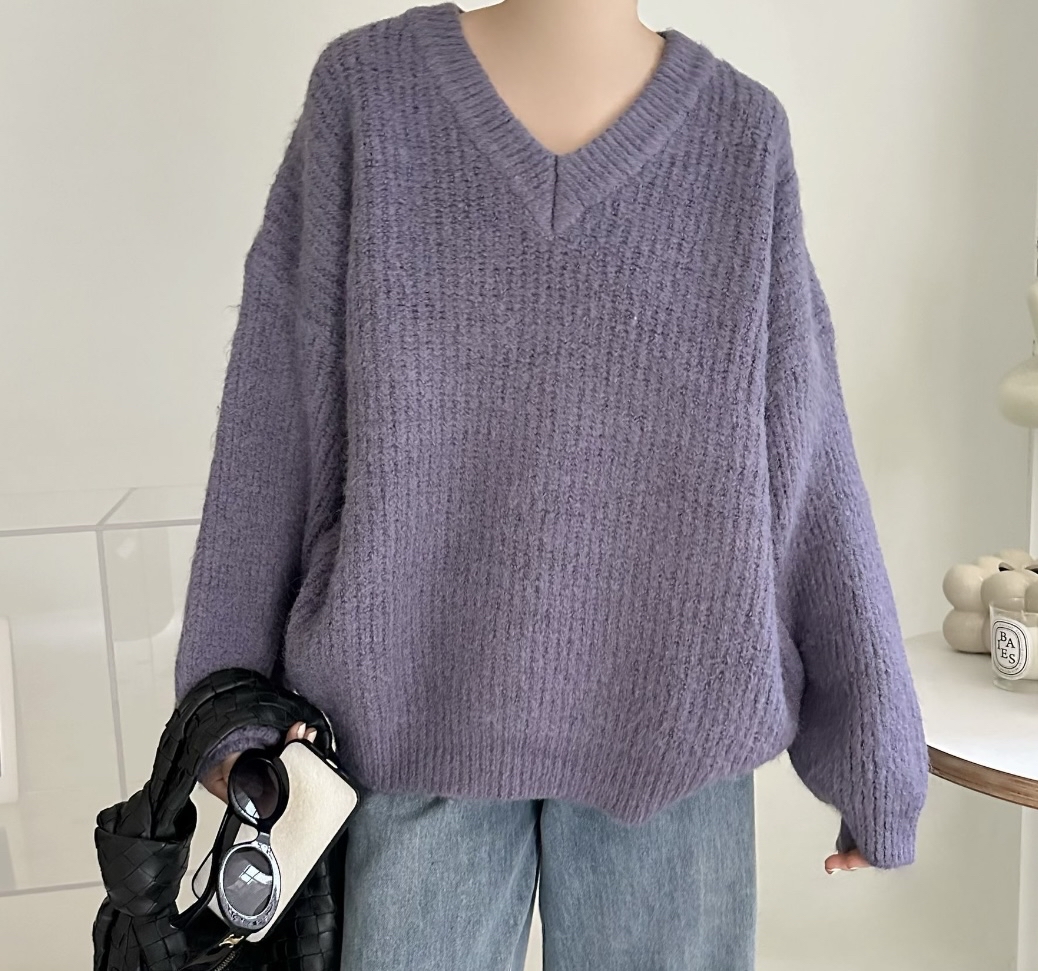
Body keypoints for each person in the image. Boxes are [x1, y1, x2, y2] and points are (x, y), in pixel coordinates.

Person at [174, 1, 930, 967]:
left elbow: (806, 451)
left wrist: (873, 740)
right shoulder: (368, 98)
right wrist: (224, 697)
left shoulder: (739, 137)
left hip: (669, 730)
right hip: (409, 725)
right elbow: (276, 414)